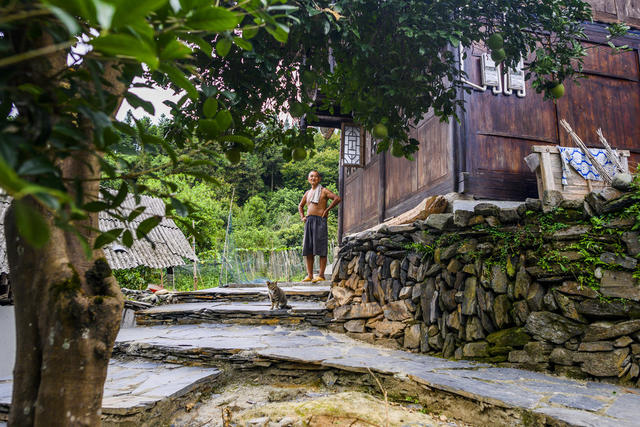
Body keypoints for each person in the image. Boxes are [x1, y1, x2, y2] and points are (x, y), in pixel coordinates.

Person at [298, 170, 341, 282]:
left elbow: (337, 198)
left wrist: (327, 209)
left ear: (319, 179)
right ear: (308, 179)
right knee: (308, 249)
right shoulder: (307, 193)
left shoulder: (323, 191)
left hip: (320, 220)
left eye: (316, 177)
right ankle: (310, 275)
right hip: (309, 221)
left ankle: (321, 275)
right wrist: (302, 217)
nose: (313, 178)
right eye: (311, 176)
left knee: (321, 248)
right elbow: (300, 206)